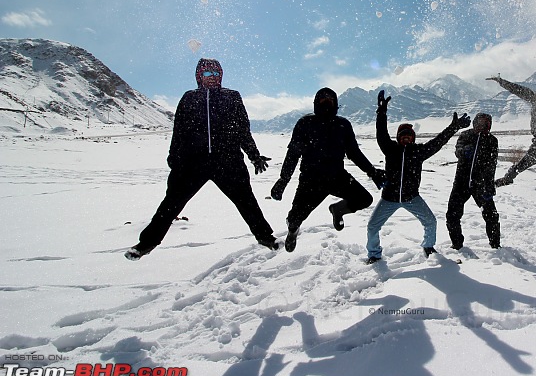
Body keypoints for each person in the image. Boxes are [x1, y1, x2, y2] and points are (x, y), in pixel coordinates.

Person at [125, 58, 278, 260]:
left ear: (221, 76)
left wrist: (254, 155)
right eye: (207, 74)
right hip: (192, 162)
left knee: (246, 201)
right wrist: (174, 158)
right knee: (171, 203)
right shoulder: (189, 98)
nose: (212, 78)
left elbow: (243, 130)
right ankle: (147, 243)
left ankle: (265, 237)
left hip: (228, 160)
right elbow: (178, 131)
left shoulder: (232, 97)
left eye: (216, 74)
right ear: (199, 77)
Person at [270, 87, 385, 253]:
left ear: (336, 104)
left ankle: (337, 209)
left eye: (330, 101)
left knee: (364, 199)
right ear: (316, 103)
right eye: (322, 100)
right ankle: (293, 230)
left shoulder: (343, 125)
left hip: (337, 177)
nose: (326, 103)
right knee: (294, 218)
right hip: (311, 181)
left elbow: (354, 153)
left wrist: (372, 172)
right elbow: (293, 154)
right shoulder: (305, 123)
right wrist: (283, 180)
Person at [366, 90, 471, 264]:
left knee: (430, 222)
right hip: (389, 199)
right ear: (398, 138)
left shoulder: (419, 152)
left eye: (409, 136)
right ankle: (374, 254)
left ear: (413, 138)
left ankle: (428, 247)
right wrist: (381, 112)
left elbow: (438, 142)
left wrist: (453, 127)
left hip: (411, 198)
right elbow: (381, 133)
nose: (406, 139)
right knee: (372, 226)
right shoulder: (390, 149)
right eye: (403, 136)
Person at [445, 113, 501, 250]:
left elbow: (492, 165)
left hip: (481, 184)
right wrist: (464, 151)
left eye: (486, 123)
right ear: (475, 122)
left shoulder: (492, 140)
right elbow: (457, 151)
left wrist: (490, 185)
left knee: (491, 215)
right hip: (461, 183)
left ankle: (495, 245)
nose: (482, 126)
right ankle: (457, 244)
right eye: (480, 122)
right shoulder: (465, 135)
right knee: (452, 214)